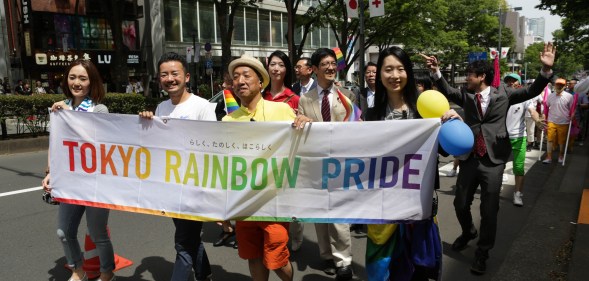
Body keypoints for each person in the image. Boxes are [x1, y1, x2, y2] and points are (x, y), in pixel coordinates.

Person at [422, 42, 555, 275]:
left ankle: (482, 252)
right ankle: (468, 232)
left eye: (470, 75)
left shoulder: (504, 93)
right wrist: (435, 71)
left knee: (489, 209)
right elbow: (448, 91)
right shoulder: (467, 96)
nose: (466, 79)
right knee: (460, 203)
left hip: (494, 160)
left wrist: (545, 71)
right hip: (471, 158)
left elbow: (531, 91)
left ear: (481, 76)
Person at [223, 54, 311, 281]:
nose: (240, 81)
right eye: (235, 77)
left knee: (278, 261)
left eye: (246, 75)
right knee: (253, 256)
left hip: (275, 202)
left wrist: (307, 122)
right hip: (244, 203)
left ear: (260, 82)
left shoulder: (281, 111)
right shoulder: (228, 122)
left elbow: (306, 143)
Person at [363, 46, 442, 281]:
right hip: (382, 206)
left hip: (418, 203)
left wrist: (449, 121)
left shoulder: (425, 111)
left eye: (400, 69)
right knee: (383, 269)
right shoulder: (370, 115)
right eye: (388, 69)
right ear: (379, 75)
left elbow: (445, 148)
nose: (394, 75)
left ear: (408, 72)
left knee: (418, 269)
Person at [139, 52, 214, 281]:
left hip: (194, 186)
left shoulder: (202, 107)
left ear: (187, 77)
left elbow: (212, 148)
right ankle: (205, 274)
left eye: (175, 73)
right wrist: (146, 121)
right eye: (164, 74)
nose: (170, 79)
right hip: (171, 186)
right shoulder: (161, 107)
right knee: (190, 238)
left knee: (182, 242)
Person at [41, 59, 116, 281]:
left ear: (91, 82)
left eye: (83, 78)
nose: (77, 82)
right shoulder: (59, 107)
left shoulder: (99, 108)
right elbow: (55, 143)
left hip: (95, 183)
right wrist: (50, 171)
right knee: (64, 232)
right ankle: (77, 269)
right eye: (72, 77)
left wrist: (69, 115)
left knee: (98, 234)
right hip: (70, 182)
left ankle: (106, 273)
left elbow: (95, 139)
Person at [298, 48, 355, 281]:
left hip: (341, 164)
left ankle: (344, 260)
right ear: (314, 69)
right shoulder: (305, 99)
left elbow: (357, 128)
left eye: (333, 63)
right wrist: (301, 120)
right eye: (325, 64)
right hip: (315, 165)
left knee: (339, 215)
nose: (331, 67)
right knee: (320, 214)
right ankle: (326, 255)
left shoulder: (347, 95)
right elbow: (300, 131)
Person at [503, 73, 544, 206]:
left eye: (513, 81)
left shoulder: (525, 98)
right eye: (508, 81)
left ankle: (517, 194)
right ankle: (493, 190)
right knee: (497, 166)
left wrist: (537, 120)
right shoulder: (501, 97)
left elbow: (533, 111)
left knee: (519, 168)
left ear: (518, 84)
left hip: (519, 137)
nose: (510, 83)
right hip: (502, 138)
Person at [543, 78, 574, 164]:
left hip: (564, 121)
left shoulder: (569, 96)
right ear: (554, 85)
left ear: (565, 86)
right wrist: (544, 116)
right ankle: (549, 157)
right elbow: (546, 107)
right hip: (551, 120)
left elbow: (572, 108)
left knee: (562, 141)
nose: (559, 86)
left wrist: (573, 114)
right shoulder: (550, 96)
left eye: (561, 85)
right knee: (549, 139)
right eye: (558, 84)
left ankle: (561, 155)